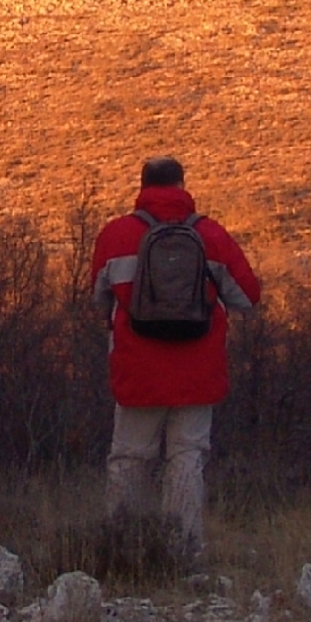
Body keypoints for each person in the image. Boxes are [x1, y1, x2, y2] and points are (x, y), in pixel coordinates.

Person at [89, 156, 261, 565]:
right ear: (183, 185)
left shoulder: (116, 235)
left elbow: (98, 298)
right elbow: (247, 297)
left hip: (137, 369)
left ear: (142, 185)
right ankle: (184, 550)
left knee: (130, 458)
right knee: (186, 457)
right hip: (197, 370)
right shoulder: (210, 235)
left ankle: (122, 548)